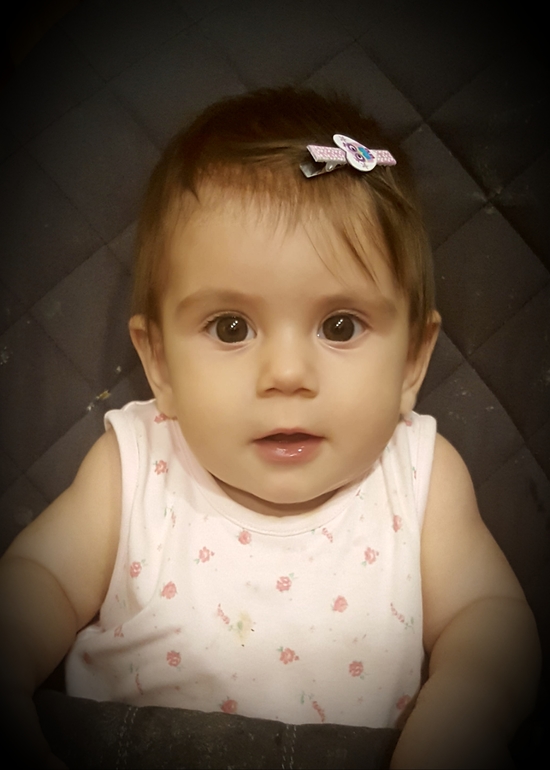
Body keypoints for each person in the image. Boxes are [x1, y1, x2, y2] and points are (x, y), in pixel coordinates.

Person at [0, 87, 540, 769]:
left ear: (412, 362)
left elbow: (489, 619)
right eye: (231, 328)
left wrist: (461, 718)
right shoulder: (134, 465)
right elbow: (36, 582)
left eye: (339, 326)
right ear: (159, 363)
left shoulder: (419, 477)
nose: (286, 374)